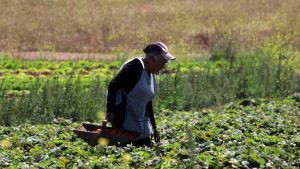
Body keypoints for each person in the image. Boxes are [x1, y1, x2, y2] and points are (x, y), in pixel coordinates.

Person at [106, 42, 176, 147]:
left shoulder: (151, 74)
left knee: (146, 152)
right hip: (125, 124)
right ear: (152, 59)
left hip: (140, 126)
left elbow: (147, 101)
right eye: (162, 63)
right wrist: (110, 111)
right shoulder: (135, 67)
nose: (163, 67)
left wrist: (154, 127)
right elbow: (113, 85)